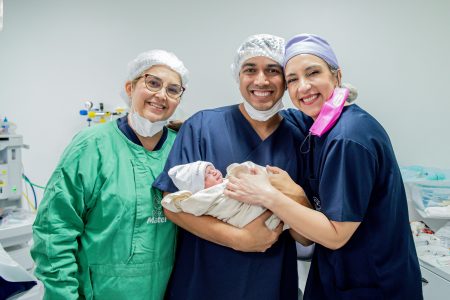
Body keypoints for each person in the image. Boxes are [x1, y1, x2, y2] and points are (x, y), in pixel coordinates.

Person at [224, 33, 423, 299]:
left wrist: (267, 195)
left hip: (373, 284)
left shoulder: (348, 138)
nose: (303, 87)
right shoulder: (318, 126)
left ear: (337, 76)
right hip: (338, 276)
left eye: (312, 73)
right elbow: (270, 113)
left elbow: (335, 235)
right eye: (292, 79)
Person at [153, 34, 312, 300]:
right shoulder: (202, 126)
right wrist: (241, 239)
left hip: (271, 283)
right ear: (238, 76)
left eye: (273, 70)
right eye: (250, 70)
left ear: (286, 80)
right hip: (204, 281)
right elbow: (172, 206)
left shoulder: (301, 136)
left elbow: (307, 236)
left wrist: (294, 195)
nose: (261, 80)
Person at [31, 49, 189, 299]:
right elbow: (54, 231)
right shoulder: (91, 146)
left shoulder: (182, 148)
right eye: (153, 83)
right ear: (130, 88)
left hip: (165, 289)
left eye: (173, 90)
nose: (161, 95)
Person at [162, 160, 284, 229]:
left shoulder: (226, 182)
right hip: (245, 216)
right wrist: (177, 201)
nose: (214, 172)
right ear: (198, 187)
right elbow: (185, 204)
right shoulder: (204, 197)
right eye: (207, 174)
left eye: (212, 169)